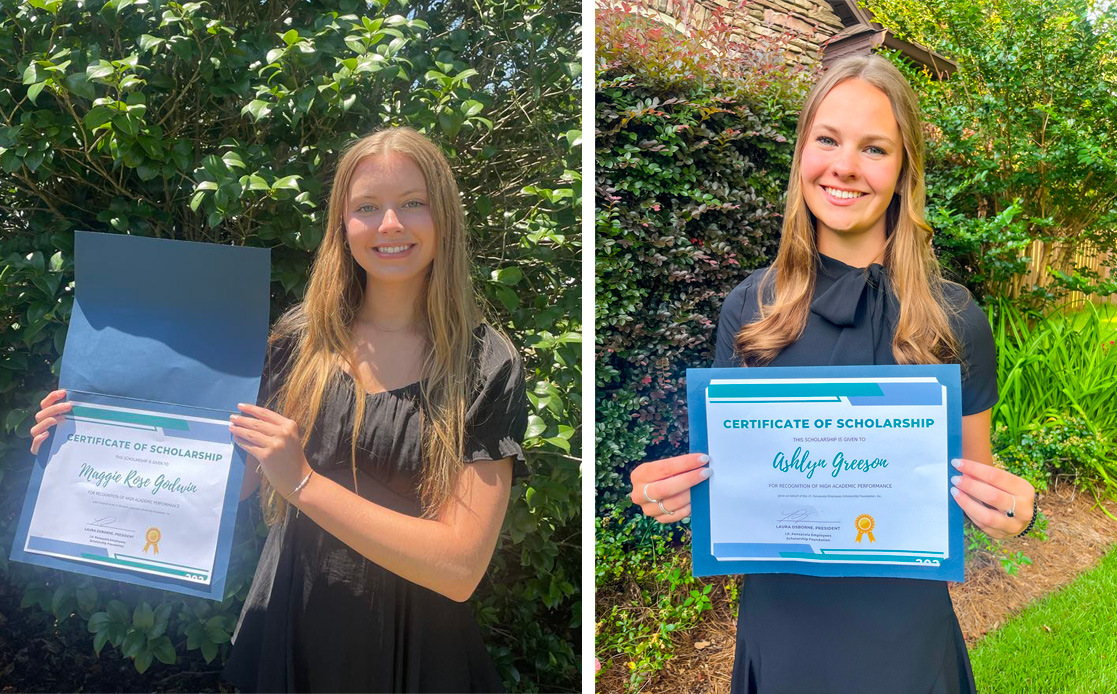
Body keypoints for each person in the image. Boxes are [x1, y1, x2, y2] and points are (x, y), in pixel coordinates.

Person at [31, 127, 529, 693]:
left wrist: (304, 484)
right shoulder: (300, 343)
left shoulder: (484, 364)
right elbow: (232, 483)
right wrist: (85, 441)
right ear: (342, 225)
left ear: (445, 217)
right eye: (367, 207)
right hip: (292, 622)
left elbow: (460, 568)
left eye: (413, 202)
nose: (390, 224)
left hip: (414, 646)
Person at [627, 55, 1037, 693]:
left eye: (874, 148)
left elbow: (974, 490)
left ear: (903, 171)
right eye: (827, 140)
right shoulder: (750, 309)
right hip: (782, 636)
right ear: (801, 156)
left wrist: (1012, 511)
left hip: (905, 643)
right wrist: (675, 493)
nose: (844, 166)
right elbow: (728, 484)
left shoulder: (954, 318)